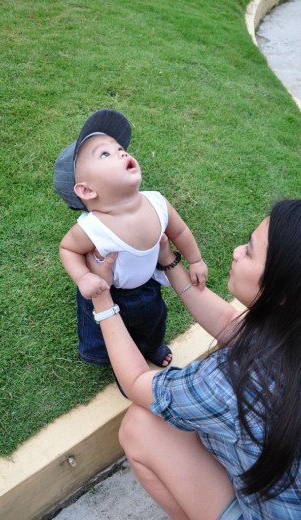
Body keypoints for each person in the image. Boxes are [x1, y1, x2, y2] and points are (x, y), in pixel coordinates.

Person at [86, 198, 301, 519]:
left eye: (250, 251)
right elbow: (230, 325)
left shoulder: (229, 381)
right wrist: (169, 260)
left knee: (140, 426)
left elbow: (136, 383)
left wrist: (102, 297)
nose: (237, 251)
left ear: (283, 293)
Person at [54, 108, 208, 369]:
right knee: (98, 328)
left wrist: (195, 260)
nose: (121, 152)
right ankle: (104, 356)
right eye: (105, 154)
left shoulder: (157, 202)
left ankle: (151, 347)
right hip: (107, 290)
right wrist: (84, 277)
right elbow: (68, 248)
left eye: (118, 148)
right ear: (86, 190)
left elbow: (179, 231)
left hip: (146, 285)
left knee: (153, 320)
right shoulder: (93, 227)